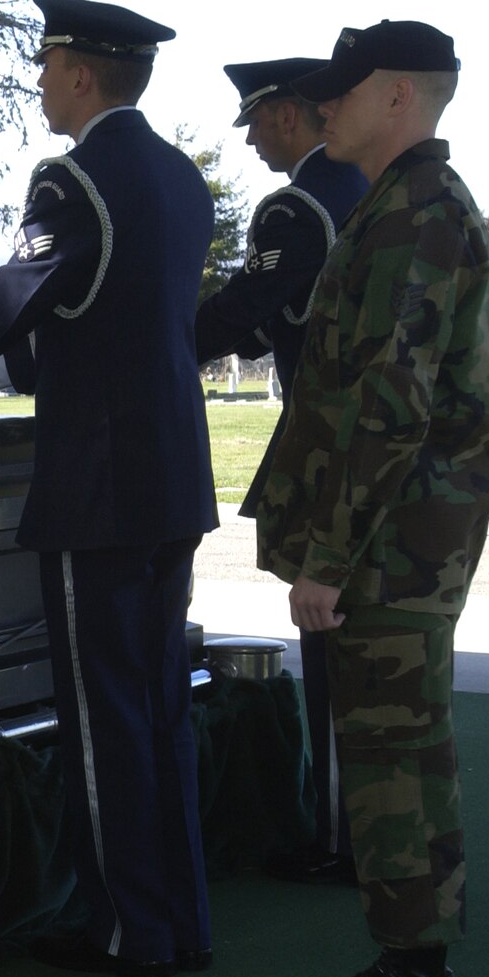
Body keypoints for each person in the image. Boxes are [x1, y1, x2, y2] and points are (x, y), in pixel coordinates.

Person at [0, 0, 217, 977]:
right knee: (158, 703)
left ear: (82, 75)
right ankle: (177, 918)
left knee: (103, 712)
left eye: (46, 67)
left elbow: (12, 297)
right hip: (169, 473)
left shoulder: (73, 181)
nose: (38, 83)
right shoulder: (175, 177)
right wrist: (2, 355)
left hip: (100, 482)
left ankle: (126, 929)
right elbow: (94, 317)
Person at [260, 21, 489, 977]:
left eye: (343, 90)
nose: (324, 106)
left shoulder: (414, 215)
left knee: (393, 765)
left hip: (394, 542)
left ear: (397, 96)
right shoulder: (399, 207)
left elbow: (389, 405)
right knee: (390, 755)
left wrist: (327, 558)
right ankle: (408, 967)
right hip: (400, 537)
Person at [196, 57, 371, 887]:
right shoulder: (366, 188)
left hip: (326, 446)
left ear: (289, 117)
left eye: (259, 124)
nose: (255, 141)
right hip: (367, 447)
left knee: (333, 654)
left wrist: (160, 342)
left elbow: (243, 314)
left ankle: (339, 835)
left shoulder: (298, 205)